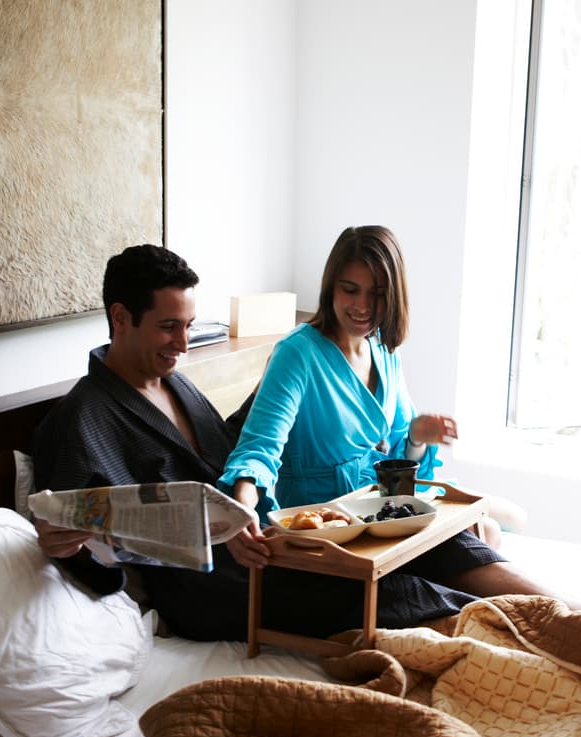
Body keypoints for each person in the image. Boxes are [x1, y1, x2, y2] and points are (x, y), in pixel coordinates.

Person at [33, 244, 499, 641]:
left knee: (431, 555)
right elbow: (91, 554)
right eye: (169, 326)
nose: (184, 341)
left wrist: (278, 396)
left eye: (190, 325)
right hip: (212, 587)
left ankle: (535, 622)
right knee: (390, 594)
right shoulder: (81, 419)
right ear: (121, 317)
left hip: (258, 543)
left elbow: (233, 450)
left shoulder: (173, 384)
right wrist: (69, 548)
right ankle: (509, 636)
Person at [217, 225, 552, 601]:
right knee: (477, 547)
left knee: (490, 528)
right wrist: (240, 509)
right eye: (350, 289)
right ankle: (571, 618)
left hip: (382, 516)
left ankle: (570, 618)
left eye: (376, 294)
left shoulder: (383, 351)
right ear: (331, 287)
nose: (362, 306)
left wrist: (416, 437)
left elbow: (396, 461)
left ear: (393, 296)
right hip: (332, 534)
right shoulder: (297, 355)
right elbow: (259, 448)